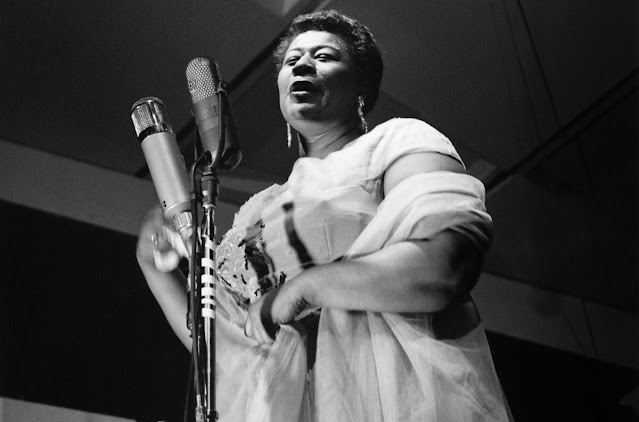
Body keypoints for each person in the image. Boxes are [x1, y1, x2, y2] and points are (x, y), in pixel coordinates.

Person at [136, 9, 511, 421]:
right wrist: (155, 268)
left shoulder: (397, 142)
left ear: (361, 86)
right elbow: (226, 347)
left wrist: (303, 290)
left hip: (387, 397)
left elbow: (444, 266)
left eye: (324, 56)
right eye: (292, 60)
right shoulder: (257, 213)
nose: (302, 65)